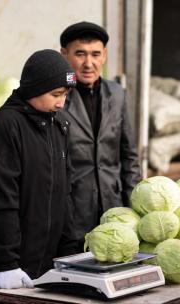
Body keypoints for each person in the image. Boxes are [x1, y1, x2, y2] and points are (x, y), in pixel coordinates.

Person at [0, 49, 77, 304]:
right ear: (34, 89)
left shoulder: (57, 124)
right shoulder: (7, 126)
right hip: (10, 267)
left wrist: (69, 251)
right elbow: (1, 199)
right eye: (56, 95)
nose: (61, 103)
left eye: (65, 95)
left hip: (45, 263)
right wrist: (7, 263)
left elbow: (64, 192)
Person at [59, 21, 141, 252]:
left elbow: (129, 156)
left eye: (95, 54)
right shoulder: (56, 96)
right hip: (72, 214)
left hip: (113, 209)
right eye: (80, 54)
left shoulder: (116, 93)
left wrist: (135, 207)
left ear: (104, 55)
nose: (88, 63)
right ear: (64, 55)